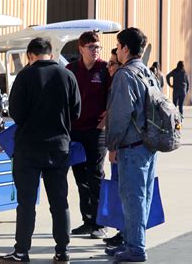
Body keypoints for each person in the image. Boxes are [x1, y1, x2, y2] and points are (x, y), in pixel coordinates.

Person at [0, 37, 80, 264]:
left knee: (26, 204)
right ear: (50, 54)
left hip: (28, 149)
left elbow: (16, 113)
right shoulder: (67, 75)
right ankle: (62, 252)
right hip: (59, 148)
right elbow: (76, 111)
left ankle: (22, 252)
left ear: (30, 56)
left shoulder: (24, 76)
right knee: (59, 203)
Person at [105, 27, 157, 262]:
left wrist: (112, 146)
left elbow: (119, 115)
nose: (116, 50)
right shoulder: (146, 72)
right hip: (148, 144)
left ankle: (135, 248)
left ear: (125, 48)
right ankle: (132, 241)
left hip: (131, 146)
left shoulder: (125, 75)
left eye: (118, 45)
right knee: (143, 196)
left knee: (132, 197)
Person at [65, 31, 109, 239]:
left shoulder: (105, 70)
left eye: (97, 47)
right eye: (91, 47)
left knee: (96, 176)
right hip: (75, 132)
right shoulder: (71, 70)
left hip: (96, 132)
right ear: (81, 49)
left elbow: (113, 99)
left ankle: (101, 223)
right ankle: (87, 221)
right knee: (80, 177)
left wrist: (104, 122)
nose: (95, 51)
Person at [102, 48, 124, 247]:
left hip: (123, 149)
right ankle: (122, 231)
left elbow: (120, 119)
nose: (108, 67)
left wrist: (113, 147)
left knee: (123, 191)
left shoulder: (122, 82)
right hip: (123, 147)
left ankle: (126, 234)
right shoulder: (115, 84)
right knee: (119, 190)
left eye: (112, 63)